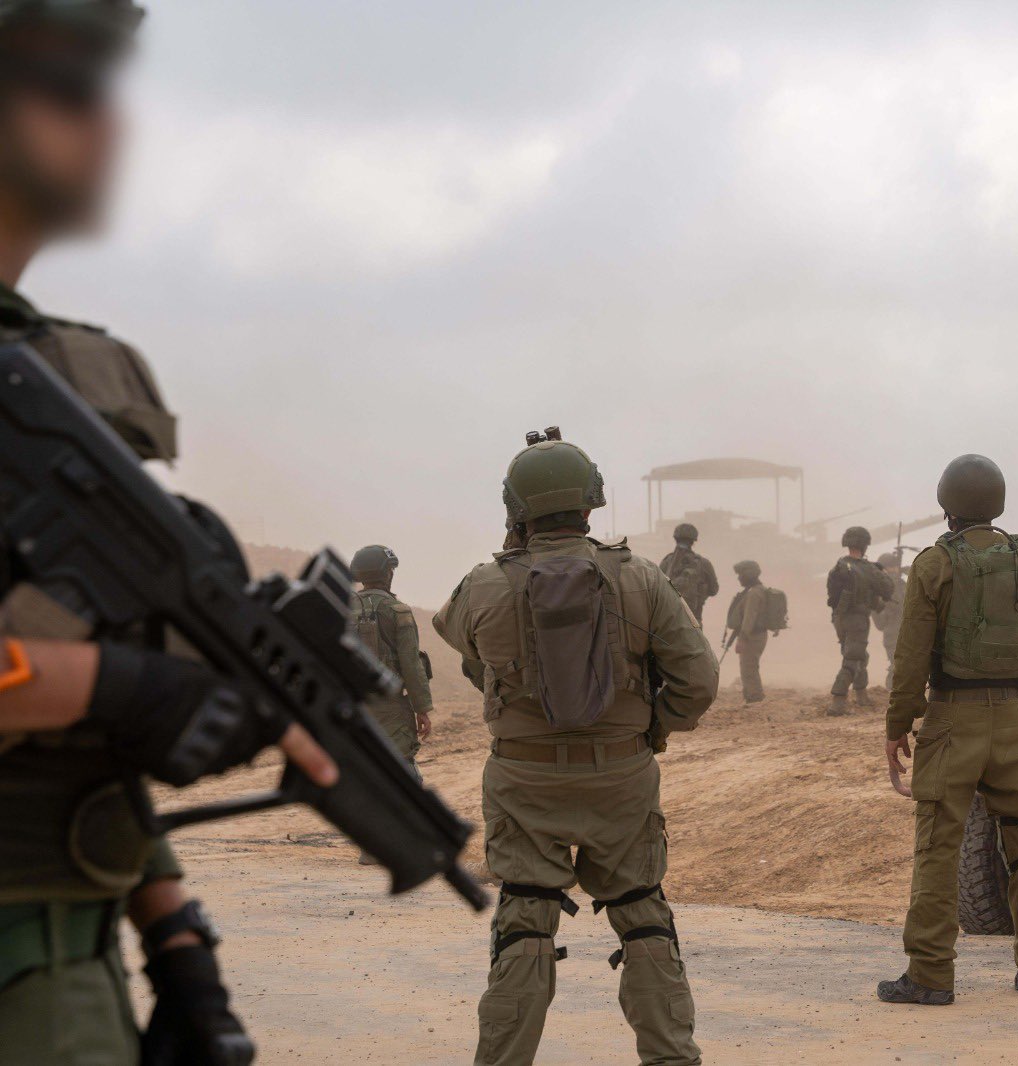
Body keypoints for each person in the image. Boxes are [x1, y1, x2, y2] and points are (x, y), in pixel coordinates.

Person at [0, 4, 334, 1062]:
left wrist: (177, 938)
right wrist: (128, 688)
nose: (110, 123)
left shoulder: (40, 376)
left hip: (64, 966)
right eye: (68, 84)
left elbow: (61, 721)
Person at [434, 434, 717, 1066]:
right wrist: (652, 730)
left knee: (525, 921)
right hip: (622, 775)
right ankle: (672, 1057)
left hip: (524, 779)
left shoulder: (483, 585)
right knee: (644, 917)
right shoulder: (640, 577)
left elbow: (459, 643)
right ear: (592, 501)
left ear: (517, 510)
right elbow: (700, 680)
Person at [879, 454, 1018, 1005]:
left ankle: (931, 975)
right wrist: (1012, 698)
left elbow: (911, 657)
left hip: (951, 720)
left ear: (947, 507)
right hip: (1014, 719)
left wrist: (898, 725)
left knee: (939, 846)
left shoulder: (935, 563)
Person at [349, 544, 434, 768]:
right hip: (390, 706)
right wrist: (422, 709)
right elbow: (411, 664)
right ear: (387, 573)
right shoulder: (398, 611)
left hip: (352, 704)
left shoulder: (341, 608)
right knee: (400, 768)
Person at [825, 525, 893, 716]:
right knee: (853, 658)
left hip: (839, 619)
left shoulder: (837, 567)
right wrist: (882, 571)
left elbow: (832, 598)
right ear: (865, 545)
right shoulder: (868, 569)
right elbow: (888, 589)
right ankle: (837, 702)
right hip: (858, 620)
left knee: (860, 655)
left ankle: (862, 696)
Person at [724, 559, 770, 704]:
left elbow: (749, 619)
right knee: (749, 666)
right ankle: (752, 696)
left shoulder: (754, 593)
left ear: (749, 575)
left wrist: (742, 640)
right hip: (755, 635)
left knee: (748, 667)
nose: (739, 578)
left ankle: (755, 698)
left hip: (752, 636)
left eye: (741, 575)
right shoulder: (757, 590)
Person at [659, 522, 718, 623]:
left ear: (675, 539)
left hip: (668, 623)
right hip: (693, 621)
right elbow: (714, 590)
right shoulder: (703, 563)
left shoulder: (666, 562)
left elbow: (656, 591)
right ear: (693, 541)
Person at [872, 550, 905, 690]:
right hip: (893, 633)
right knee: (897, 664)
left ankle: (895, 691)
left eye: (895, 566)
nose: (895, 570)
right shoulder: (882, 586)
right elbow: (897, 604)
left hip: (904, 631)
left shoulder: (900, 583)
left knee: (902, 664)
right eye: (891, 567)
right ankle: (891, 691)